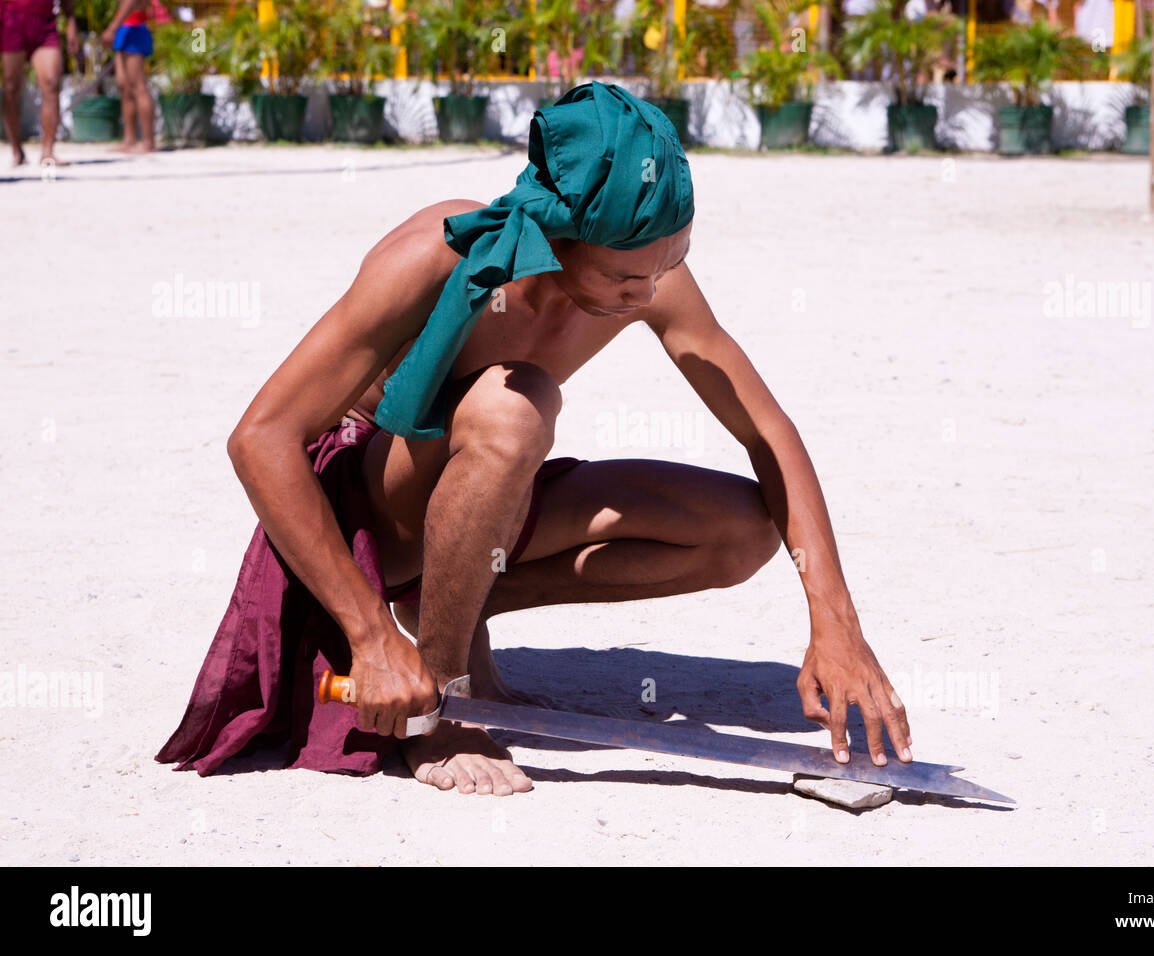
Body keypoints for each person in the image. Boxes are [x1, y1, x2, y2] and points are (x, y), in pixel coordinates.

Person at [156, 82, 913, 796]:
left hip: (486, 504)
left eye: (668, 264)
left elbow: (767, 428)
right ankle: (443, 702)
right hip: (377, 513)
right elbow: (261, 438)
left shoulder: (644, 260)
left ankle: (453, 605)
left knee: (740, 531)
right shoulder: (442, 250)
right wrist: (370, 633)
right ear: (559, 235)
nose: (647, 296)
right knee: (516, 406)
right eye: (625, 279)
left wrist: (835, 621)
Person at [1, 0, 77, 166]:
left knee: (52, 83)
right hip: (12, 19)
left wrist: (71, 22)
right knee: (11, 88)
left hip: (45, 22)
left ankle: (48, 152)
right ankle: (17, 150)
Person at [101, 0, 151, 152]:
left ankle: (148, 142)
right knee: (125, 87)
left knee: (139, 87)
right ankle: (129, 139)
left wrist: (111, 29)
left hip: (134, 27)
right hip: (125, 27)